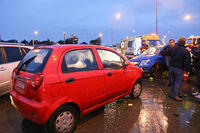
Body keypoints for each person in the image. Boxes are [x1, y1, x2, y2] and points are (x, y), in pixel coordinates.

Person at [160, 37, 191, 101]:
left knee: (173, 82)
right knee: (177, 82)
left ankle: (174, 93)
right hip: (179, 69)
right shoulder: (185, 51)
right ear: (184, 43)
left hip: (171, 68)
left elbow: (164, 52)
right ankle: (175, 95)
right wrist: (187, 70)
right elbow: (187, 62)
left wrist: (160, 52)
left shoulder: (173, 49)